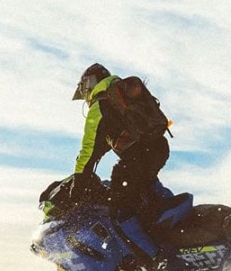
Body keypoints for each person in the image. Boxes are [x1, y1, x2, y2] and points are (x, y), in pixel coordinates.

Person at [70, 63, 170, 221]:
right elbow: (103, 145)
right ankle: (174, 222)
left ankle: (146, 244)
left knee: (119, 211)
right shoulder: (119, 96)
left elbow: (88, 151)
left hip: (137, 157)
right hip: (159, 147)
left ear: (89, 85)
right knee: (147, 190)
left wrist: (77, 186)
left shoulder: (100, 105)